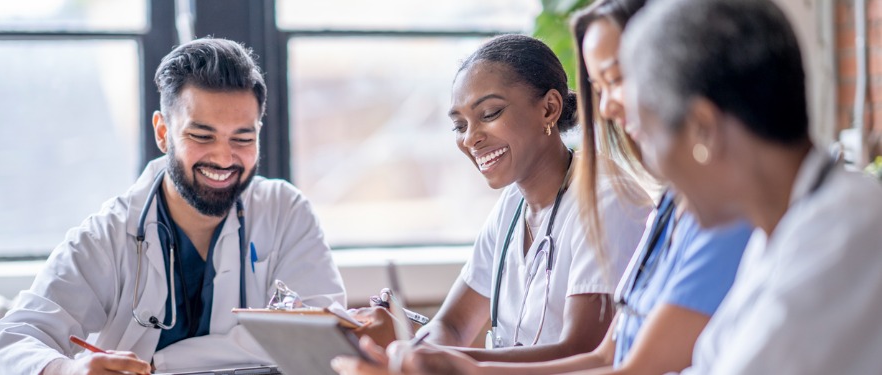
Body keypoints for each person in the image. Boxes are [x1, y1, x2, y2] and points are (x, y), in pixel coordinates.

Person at [0, 37, 347, 374]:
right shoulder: (108, 236)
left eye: (242, 137)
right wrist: (68, 369)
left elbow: (323, 343)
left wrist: (159, 364)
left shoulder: (286, 213)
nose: (224, 157)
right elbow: (8, 340)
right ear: (163, 132)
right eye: (201, 136)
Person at [616, 0, 882, 373]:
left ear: (702, 129)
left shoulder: (844, 235)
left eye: (646, 134)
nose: (651, 163)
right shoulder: (780, 227)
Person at [352, 34, 651, 364]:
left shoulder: (607, 200)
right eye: (459, 125)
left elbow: (583, 352)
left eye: (490, 113)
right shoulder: (512, 206)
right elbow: (452, 325)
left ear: (549, 108)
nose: (471, 138)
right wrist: (417, 349)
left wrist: (451, 365)